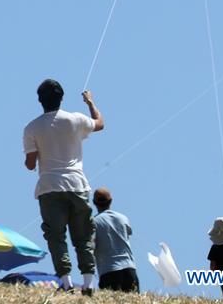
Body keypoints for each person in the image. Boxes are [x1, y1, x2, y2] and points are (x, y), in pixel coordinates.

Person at [23, 79, 103, 295]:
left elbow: (30, 164)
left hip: (49, 187)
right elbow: (99, 123)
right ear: (62, 98)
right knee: (84, 235)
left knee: (56, 236)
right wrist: (90, 102)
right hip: (77, 185)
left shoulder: (31, 128)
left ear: (40, 100)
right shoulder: (75, 119)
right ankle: (88, 282)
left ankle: (66, 282)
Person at [91, 188, 138, 292]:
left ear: (94, 203)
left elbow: (91, 246)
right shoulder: (123, 218)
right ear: (111, 201)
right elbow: (128, 233)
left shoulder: (93, 223)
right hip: (129, 269)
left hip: (109, 271)